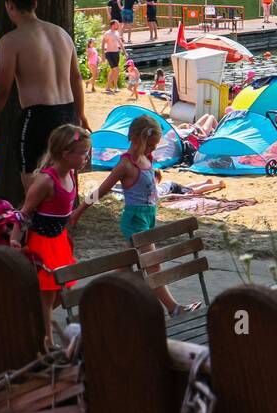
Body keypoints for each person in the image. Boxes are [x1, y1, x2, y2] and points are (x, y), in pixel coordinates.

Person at [77, 115, 200, 316]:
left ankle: (97, 301)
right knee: (153, 263)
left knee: (124, 268)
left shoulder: (147, 158)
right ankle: (173, 308)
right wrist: (78, 212)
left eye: (154, 146)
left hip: (148, 216)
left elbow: (145, 176)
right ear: (135, 138)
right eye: (150, 145)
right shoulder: (125, 165)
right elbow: (102, 190)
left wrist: (154, 174)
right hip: (135, 220)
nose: (152, 150)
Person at [0, 0, 88, 190]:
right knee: (65, 175)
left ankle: (38, 220)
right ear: (35, 4)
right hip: (68, 112)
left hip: (38, 116)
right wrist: (80, 115)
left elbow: (1, 90)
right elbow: (76, 78)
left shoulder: (11, 40)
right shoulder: (62, 34)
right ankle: (61, 220)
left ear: (9, 6)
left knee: (33, 180)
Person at [11, 124, 90, 346]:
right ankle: (46, 343)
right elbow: (24, 213)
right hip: (42, 244)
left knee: (58, 291)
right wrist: (15, 239)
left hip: (59, 241)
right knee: (47, 297)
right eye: (83, 152)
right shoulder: (46, 181)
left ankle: (33, 322)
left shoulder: (71, 175)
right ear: (65, 154)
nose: (87, 157)